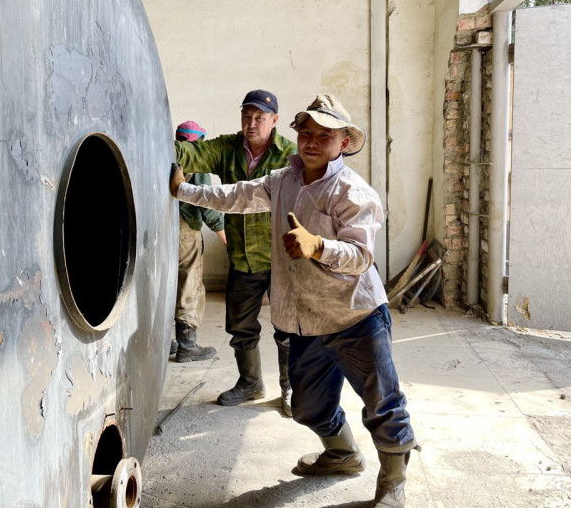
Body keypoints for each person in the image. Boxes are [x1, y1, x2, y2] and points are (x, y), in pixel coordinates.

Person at [170, 95, 418, 508]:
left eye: (325, 135)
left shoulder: (352, 191)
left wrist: (318, 246)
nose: (312, 141)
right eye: (306, 133)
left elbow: (361, 256)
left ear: (343, 143)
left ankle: (393, 483)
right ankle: (342, 454)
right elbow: (236, 196)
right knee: (307, 407)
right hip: (307, 321)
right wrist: (184, 190)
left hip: (355, 316)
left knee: (383, 404)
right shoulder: (282, 180)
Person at [174, 90, 297, 415]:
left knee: (288, 330)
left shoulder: (290, 155)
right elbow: (192, 153)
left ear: (274, 120)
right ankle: (250, 383)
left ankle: (291, 389)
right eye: (246, 116)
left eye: (259, 117)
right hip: (243, 258)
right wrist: (161, 144)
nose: (251, 123)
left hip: (282, 259)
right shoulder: (228, 148)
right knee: (241, 327)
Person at [172, 121, 227, 362]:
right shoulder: (195, 160)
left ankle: (165, 343)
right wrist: (225, 237)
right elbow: (207, 203)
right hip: (185, 231)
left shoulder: (166, 157)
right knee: (189, 284)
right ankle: (187, 346)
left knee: (168, 285)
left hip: (161, 232)